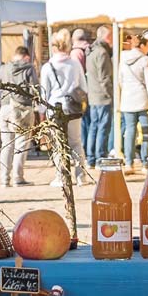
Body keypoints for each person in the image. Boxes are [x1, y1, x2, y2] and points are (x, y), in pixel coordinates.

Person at [41, 28, 87, 187]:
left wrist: (43, 112)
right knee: (76, 143)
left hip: (54, 108)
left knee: (58, 144)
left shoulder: (47, 67)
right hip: (73, 108)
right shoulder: (75, 64)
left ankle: (61, 177)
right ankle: (81, 176)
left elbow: (43, 93)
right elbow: (83, 87)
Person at [0, 46, 37, 187]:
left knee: (6, 145)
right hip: (22, 109)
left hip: (5, 107)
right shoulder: (29, 68)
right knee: (21, 145)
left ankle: (4, 179)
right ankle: (18, 178)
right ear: (26, 56)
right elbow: (35, 87)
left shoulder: (4, 67)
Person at [118, 33, 148, 173]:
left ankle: (129, 163)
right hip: (144, 100)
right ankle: (145, 163)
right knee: (146, 132)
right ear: (142, 45)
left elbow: (120, 80)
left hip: (127, 100)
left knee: (130, 132)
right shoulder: (145, 60)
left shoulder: (122, 59)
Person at [84, 25, 114, 169]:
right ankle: (100, 158)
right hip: (102, 96)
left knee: (94, 127)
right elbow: (105, 78)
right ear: (107, 37)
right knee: (102, 128)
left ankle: (91, 158)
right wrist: (111, 95)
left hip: (94, 96)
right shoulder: (102, 52)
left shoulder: (91, 51)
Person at [70, 28, 91, 161]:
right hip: (93, 89)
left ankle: (84, 149)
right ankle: (89, 149)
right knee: (90, 122)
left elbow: (76, 74)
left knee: (82, 123)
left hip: (80, 92)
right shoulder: (90, 49)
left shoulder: (76, 52)